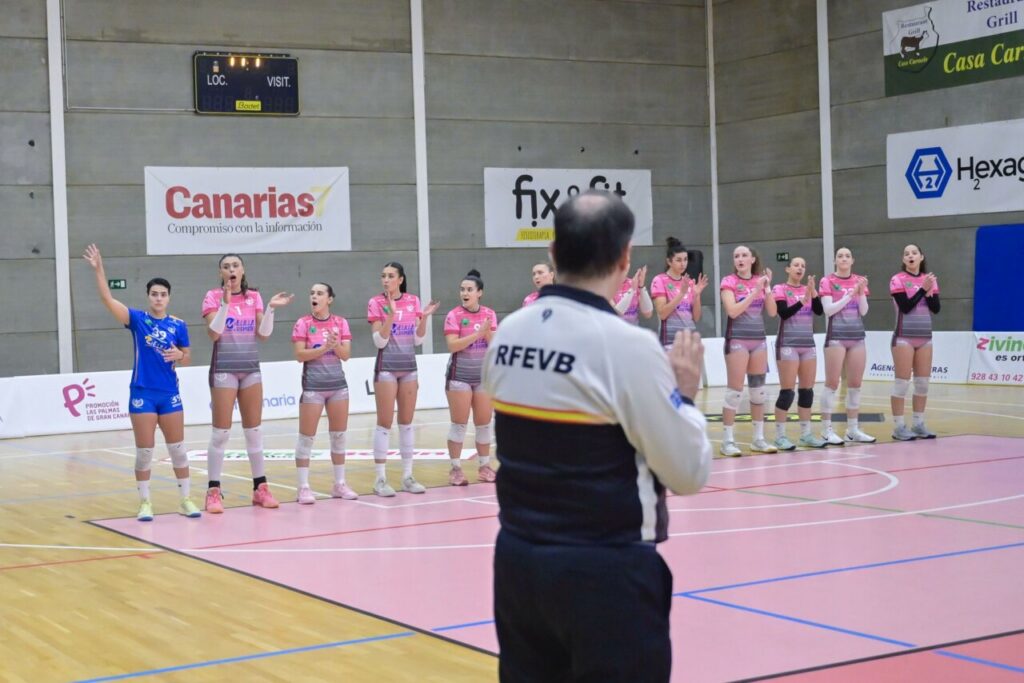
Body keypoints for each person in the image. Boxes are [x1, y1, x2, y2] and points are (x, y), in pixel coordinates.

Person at [483, 190, 712, 683]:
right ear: (625, 258)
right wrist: (684, 395)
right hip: (604, 572)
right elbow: (688, 472)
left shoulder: (507, 334)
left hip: (518, 565)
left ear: (552, 253)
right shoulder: (627, 346)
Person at [83, 244, 200, 520]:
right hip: (142, 393)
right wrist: (99, 269)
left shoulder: (178, 325)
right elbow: (106, 299)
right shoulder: (137, 319)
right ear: (148, 296)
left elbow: (188, 357)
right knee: (145, 452)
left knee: (178, 451)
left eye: (163, 294)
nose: (158, 298)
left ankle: (185, 500)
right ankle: (145, 502)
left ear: (169, 298)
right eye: (154, 294)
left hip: (169, 393)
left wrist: (180, 354)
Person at [202, 254, 293, 513]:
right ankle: (213, 491)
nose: (231, 269)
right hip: (224, 370)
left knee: (254, 432)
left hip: (251, 370)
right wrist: (225, 304)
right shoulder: (212, 296)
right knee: (221, 433)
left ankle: (260, 488)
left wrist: (272, 309)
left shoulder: (254, 297)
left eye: (235, 265)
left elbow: (263, 335)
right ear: (221, 273)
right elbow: (214, 333)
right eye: (226, 266)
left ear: (242, 270)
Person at [367, 261, 440, 496]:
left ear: (400, 279)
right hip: (386, 368)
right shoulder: (376, 302)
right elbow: (380, 341)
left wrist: (425, 318)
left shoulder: (413, 301)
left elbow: (418, 340)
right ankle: (380, 480)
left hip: (409, 368)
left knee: (407, 423)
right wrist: (390, 315)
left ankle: (408, 477)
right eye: (383, 275)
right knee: (384, 422)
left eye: (390, 276)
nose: (385, 280)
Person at [291, 282, 357, 504]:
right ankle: (303, 487)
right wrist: (323, 348)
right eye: (312, 293)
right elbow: (300, 355)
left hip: (338, 386)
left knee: (338, 437)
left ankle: (339, 484)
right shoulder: (303, 323)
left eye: (319, 293)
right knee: (306, 438)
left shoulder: (340, 323)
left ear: (329, 299)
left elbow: (346, 355)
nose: (314, 296)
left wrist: (334, 345)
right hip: (313, 387)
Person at [720, 246, 778, 456]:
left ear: (753, 259)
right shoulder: (728, 282)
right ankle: (727, 441)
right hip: (737, 341)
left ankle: (758, 439)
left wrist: (767, 287)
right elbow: (733, 311)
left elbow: (772, 312)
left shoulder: (761, 282)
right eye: (736, 256)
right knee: (734, 392)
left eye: (744, 255)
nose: (740, 259)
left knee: (758, 391)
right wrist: (755, 292)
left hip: (758, 341)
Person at [443, 270, 498, 485]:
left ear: (479, 293)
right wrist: (477, 334)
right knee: (459, 424)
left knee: (484, 424)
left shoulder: (489, 314)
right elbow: (453, 345)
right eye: (462, 289)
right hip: (460, 377)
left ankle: (484, 466)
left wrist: (486, 333)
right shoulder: (454, 315)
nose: (464, 293)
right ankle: (455, 469)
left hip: (483, 377)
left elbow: (495, 344)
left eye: (469, 290)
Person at [818, 248, 875, 445]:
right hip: (836, 337)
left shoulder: (859, 280)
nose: (844, 258)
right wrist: (849, 295)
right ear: (835, 261)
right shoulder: (827, 281)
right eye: (840, 256)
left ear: (853, 260)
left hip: (857, 337)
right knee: (832, 383)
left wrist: (860, 293)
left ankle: (853, 429)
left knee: (855, 385)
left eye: (847, 256)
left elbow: (864, 311)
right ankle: (826, 430)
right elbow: (828, 310)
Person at [772, 257, 826, 450]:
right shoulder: (779, 289)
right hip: (788, 344)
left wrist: (812, 293)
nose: (800, 268)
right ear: (788, 269)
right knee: (787, 392)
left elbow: (820, 312)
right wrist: (802, 301)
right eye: (796, 265)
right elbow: (784, 313)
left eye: (803, 265)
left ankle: (806, 435)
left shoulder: (808, 290)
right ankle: (780, 436)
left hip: (807, 345)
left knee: (807, 391)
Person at [889, 244, 941, 440]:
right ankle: (899, 427)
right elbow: (906, 307)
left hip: (925, 338)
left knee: (922, 384)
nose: (910, 256)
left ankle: (918, 424)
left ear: (921, 257)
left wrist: (928, 291)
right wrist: (923, 289)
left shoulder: (929, 280)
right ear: (904, 260)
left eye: (914, 253)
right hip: (904, 338)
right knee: (902, 383)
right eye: (906, 254)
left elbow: (936, 308)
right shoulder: (897, 279)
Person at [651, 237, 708, 350]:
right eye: (678, 260)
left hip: (689, 339)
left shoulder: (690, 282)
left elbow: (696, 318)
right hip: (670, 339)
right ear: (669, 261)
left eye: (685, 259)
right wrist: (681, 294)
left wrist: (696, 295)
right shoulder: (659, 280)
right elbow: (662, 313)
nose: (683, 264)